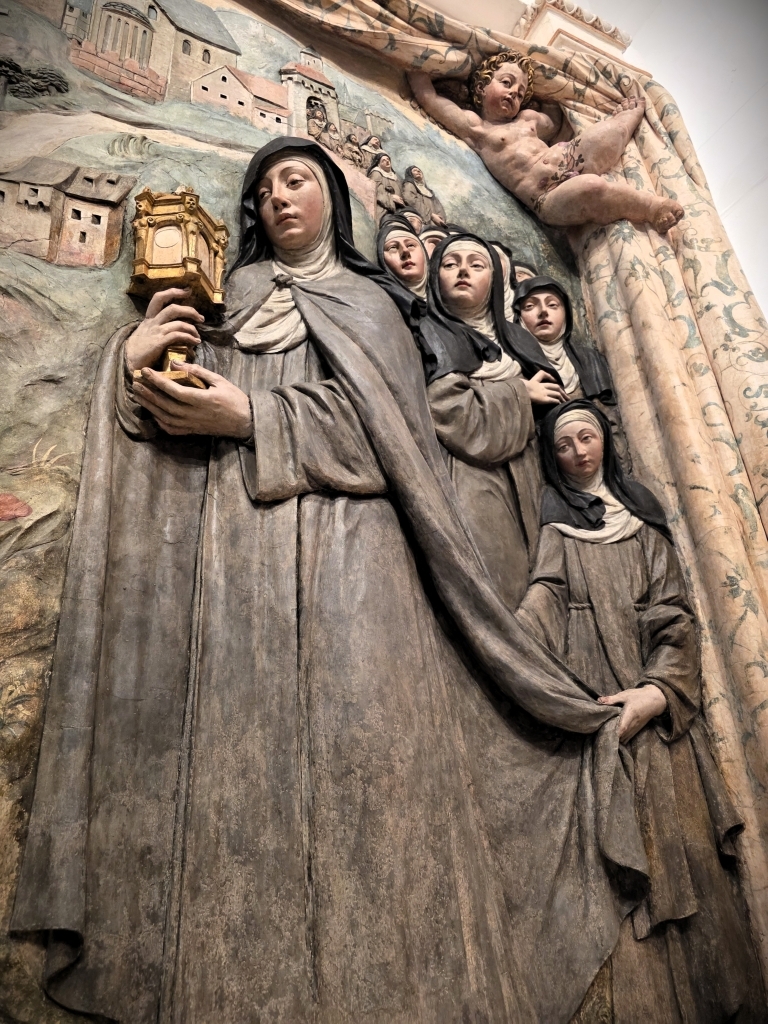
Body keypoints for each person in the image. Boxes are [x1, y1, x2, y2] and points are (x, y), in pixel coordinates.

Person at [13, 136, 661, 1024]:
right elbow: (165, 415)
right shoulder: (230, 298)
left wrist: (254, 414)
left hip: (361, 563)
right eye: (265, 189)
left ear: (332, 200)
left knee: (377, 776)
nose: (279, 198)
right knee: (244, 778)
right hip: (240, 559)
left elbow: (395, 443)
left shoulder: (372, 304)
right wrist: (135, 366)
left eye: (298, 181)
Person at [517, 399, 765, 1023]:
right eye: (563, 445)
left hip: (651, 706)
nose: (578, 452)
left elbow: (675, 618)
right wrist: (510, 644)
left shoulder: (643, 523)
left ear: (606, 440)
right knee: (607, 867)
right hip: (589, 701)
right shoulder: (557, 529)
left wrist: (658, 692)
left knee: (682, 854)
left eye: (586, 437)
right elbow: (545, 596)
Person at [419, 233, 567, 607]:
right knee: (495, 577)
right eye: (450, 264)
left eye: (476, 264)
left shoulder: (518, 339)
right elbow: (451, 413)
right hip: (467, 475)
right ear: (435, 277)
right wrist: (520, 393)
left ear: (495, 280)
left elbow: (555, 408)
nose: (463, 271)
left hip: (529, 475)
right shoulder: (428, 334)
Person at [408, 52, 685, 233]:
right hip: (547, 197)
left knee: (604, 134)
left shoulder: (527, 119)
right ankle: (650, 207)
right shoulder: (478, 129)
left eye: (520, 93)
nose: (513, 94)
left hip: (568, 159)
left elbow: (554, 117)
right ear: (481, 87)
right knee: (593, 186)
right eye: (506, 83)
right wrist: (411, 59)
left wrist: (554, 90)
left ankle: (627, 119)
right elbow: (428, 98)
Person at [513, 274, 630, 466]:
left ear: (566, 312)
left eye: (552, 305)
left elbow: (610, 421)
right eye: (530, 306)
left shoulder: (588, 359)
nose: (543, 312)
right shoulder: (513, 363)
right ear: (519, 316)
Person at [376, 214, 428, 322]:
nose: (405, 251)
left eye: (410, 245)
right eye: (393, 247)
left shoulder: (450, 305)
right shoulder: (382, 307)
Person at [367, 151, 404, 223]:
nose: (387, 161)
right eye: (383, 160)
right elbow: (376, 190)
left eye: (388, 159)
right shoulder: (376, 173)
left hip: (399, 208)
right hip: (384, 207)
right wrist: (391, 197)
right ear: (378, 164)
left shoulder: (396, 176)